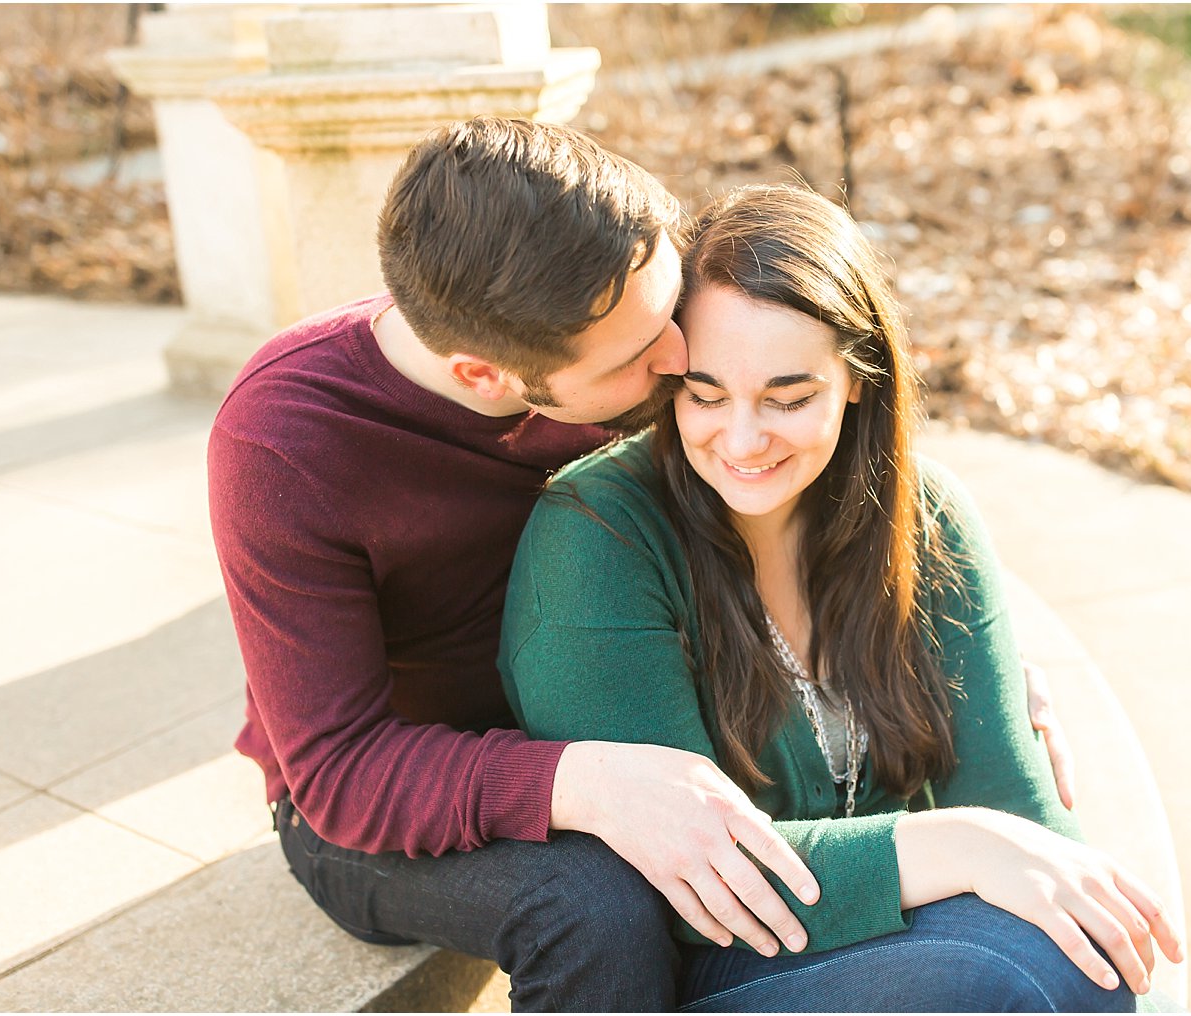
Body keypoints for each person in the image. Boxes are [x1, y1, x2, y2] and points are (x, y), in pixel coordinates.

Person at [208, 117, 1076, 1011]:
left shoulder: (605, 311)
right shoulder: (287, 444)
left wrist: (944, 648)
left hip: (596, 693)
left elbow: (769, 346)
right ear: (486, 379)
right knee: (592, 902)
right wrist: (576, 779)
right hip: (390, 800)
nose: (681, 356)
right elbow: (342, 771)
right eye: (647, 359)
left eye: (668, 311)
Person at [498, 184, 1185, 1011]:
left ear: (858, 380)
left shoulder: (924, 517)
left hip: (900, 939)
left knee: (1078, 953)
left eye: (789, 399)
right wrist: (960, 845)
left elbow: (1024, 818)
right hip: (718, 957)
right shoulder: (596, 536)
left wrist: (1061, 888)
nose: (744, 439)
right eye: (705, 395)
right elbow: (698, 885)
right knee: (1012, 973)